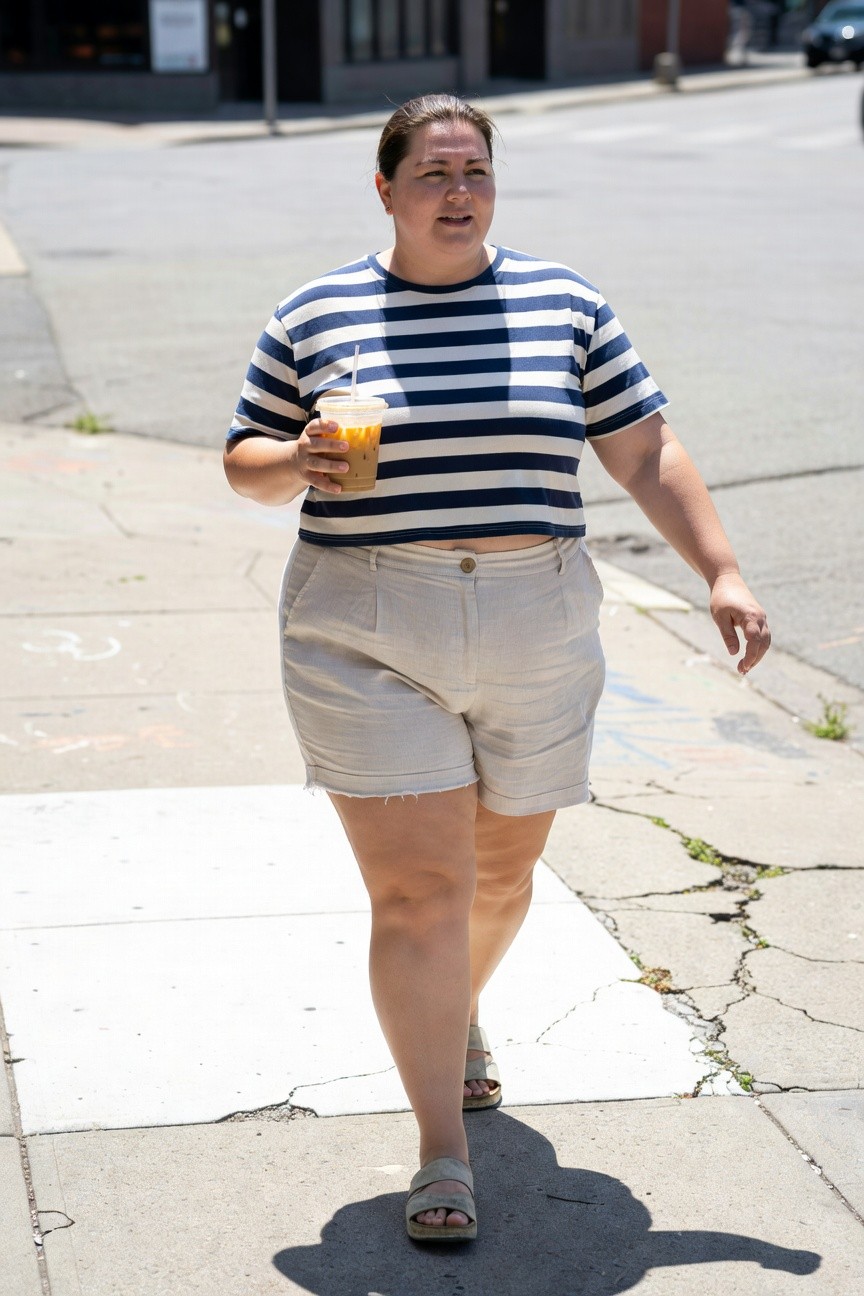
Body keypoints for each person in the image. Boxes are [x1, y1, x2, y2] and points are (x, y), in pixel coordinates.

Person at [223, 93, 770, 1243]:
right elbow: (245, 463)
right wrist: (297, 457)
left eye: (475, 169)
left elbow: (644, 445)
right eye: (431, 172)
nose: (457, 190)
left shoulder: (564, 300)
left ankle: (458, 1010)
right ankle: (441, 1148)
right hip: (366, 624)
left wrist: (722, 569)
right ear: (386, 189)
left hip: (537, 619)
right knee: (422, 892)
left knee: (503, 877)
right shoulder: (317, 310)